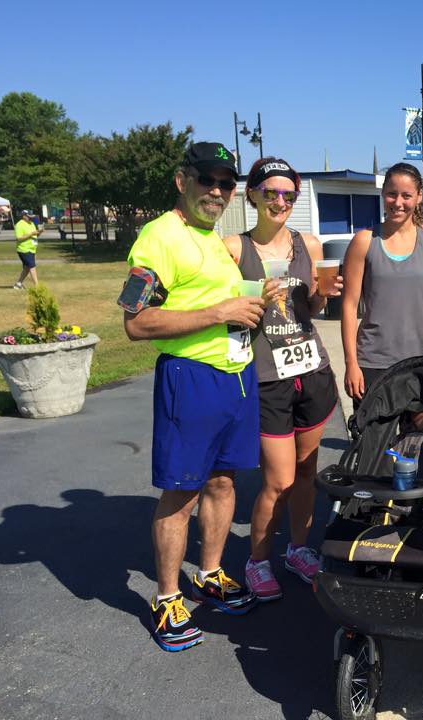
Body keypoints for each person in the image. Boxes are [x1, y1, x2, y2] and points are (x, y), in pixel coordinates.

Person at [123, 142, 265, 652]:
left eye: (227, 184)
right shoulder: (159, 236)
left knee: (224, 482)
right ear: (182, 180)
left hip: (235, 375)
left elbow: (215, 301)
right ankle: (167, 597)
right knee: (182, 491)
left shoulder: (212, 239)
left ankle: (209, 573)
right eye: (208, 179)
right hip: (190, 378)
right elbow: (136, 323)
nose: (218, 191)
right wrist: (219, 313)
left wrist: (251, 303)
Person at [223, 157, 342, 602]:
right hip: (267, 376)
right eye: (270, 193)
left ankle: (298, 549)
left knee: (308, 470)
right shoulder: (233, 249)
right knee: (278, 480)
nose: (280, 201)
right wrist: (254, 298)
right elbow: (225, 316)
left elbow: (311, 310)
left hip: (311, 369)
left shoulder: (308, 244)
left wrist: (323, 295)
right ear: (251, 195)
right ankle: (257, 561)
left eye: (288, 194)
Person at [342, 163, 423, 413]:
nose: (398, 202)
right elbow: (349, 306)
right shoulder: (364, 241)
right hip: (373, 361)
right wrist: (351, 363)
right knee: (372, 438)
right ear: (383, 193)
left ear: (419, 197)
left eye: (406, 195)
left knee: (416, 437)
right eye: (392, 194)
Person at [13, 209, 41, 289]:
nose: (31, 218)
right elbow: (19, 238)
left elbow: (35, 235)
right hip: (24, 249)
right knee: (32, 266)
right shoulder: (19, 225)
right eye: (29, 216)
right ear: (24, 216)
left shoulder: (31, 223)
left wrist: (39, 232)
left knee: (27, 268)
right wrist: (31, 233)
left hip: (32, 249)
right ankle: (37, 287)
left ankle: (18, 284)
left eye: (31, 217)